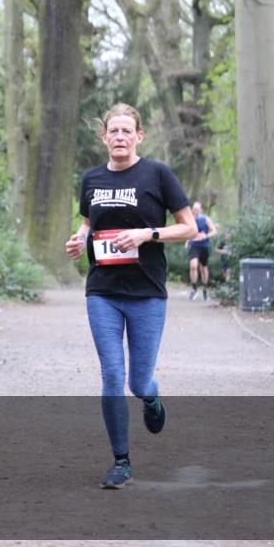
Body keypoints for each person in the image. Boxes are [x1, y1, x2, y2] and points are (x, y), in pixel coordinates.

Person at [65, 103, 197, 489]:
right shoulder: (91, 179)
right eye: (113, 131)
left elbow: (188, 228)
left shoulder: (157, 174)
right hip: (102, 291)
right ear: (104, 137)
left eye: (127, 131)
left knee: (138, 382)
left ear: (139, 136)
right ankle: (121, 461)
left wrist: (147, 234)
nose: (120, 137)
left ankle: (152, 398)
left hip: (147, 291)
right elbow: (88, 223)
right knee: (111, 373)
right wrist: (78, 240)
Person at [186, 201, 218, 300]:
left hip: (204, 246)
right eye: (194, 209)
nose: (195, 211)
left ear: (201, 210)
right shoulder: (190, 219)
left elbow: (215, 231)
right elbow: (188, 232)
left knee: (203, 269)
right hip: (194, 245)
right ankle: (194, 289)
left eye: (197, 209)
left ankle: (205, 289)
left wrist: (205, 236)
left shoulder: (205, 219)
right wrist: (187, 241)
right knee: (193, 266)